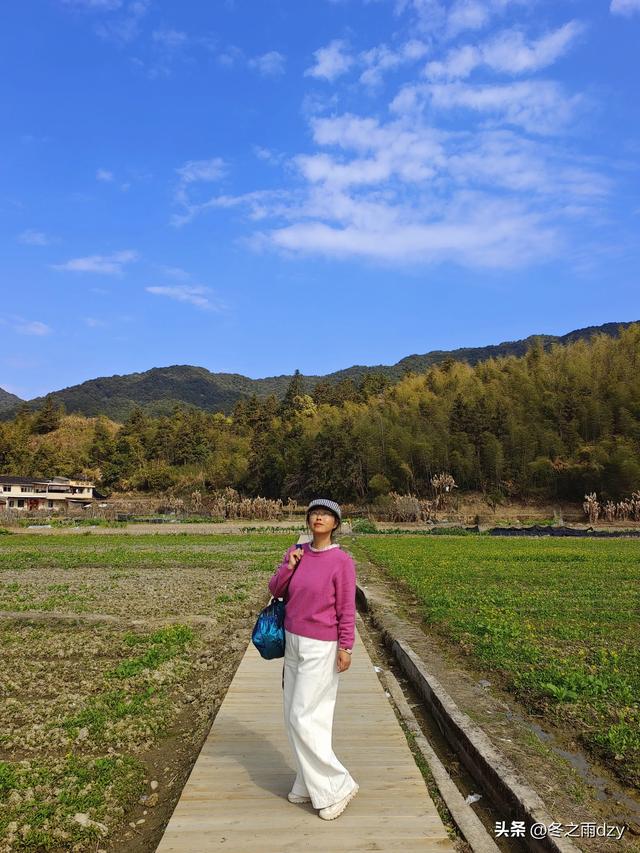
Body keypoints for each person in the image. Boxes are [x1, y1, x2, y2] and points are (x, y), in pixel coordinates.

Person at [268, 497, 359, 821]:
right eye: (314, 513)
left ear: (335, 524)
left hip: (322, 645)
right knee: (299, 714)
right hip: (293, 642)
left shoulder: (341, 562)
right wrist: (288, 565)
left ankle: (337, 785)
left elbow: (347, 609)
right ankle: (308, 782)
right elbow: (275, 589)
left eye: (326, 514)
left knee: (302, 717)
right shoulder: (298, 551)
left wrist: (346, 647)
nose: (318, 518)